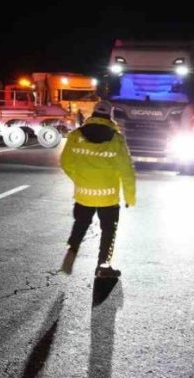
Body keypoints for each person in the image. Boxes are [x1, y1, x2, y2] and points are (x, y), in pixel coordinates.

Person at [59, 100, 136, 278]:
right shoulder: (116, 139)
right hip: (108, 197)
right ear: (110, 115)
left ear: (93, 114)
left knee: (80, 224)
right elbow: (126, 170)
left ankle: (72, 249)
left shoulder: (76, 135)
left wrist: (80, 179)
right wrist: (129, 196)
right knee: (108, 230)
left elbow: (65, 163)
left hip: (83, 194)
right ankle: (103, 266)